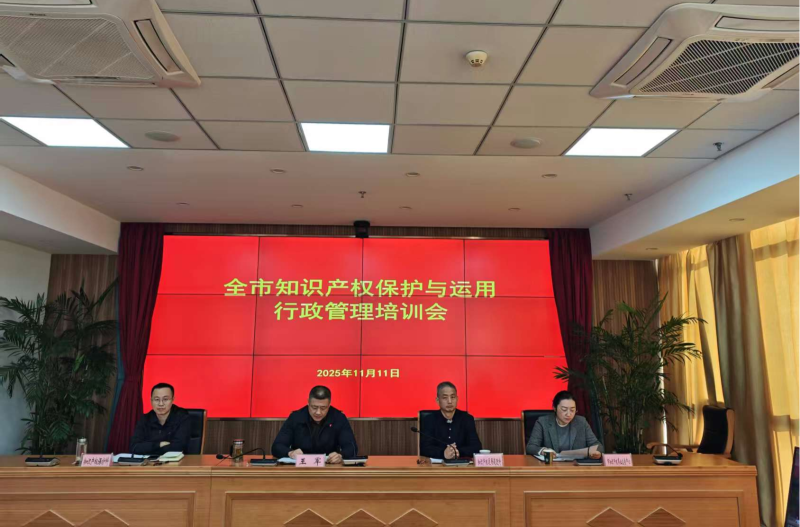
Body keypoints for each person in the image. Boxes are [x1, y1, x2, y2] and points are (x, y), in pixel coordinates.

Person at [271, 385, 357, 464]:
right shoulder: (296, 417)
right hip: (301, 467)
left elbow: (352, 447)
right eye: (314, 407)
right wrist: (290, 453)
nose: (318, 412)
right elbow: (277, 446)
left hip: (329, 466)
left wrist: (340, 455)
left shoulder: (338, 418)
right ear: (308, 402)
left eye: (323, 408)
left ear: (329, 405)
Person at [526, 390, 603, 459]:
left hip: (575, 466)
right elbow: (530, 447)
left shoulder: (581, 422)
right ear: (554, 408)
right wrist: (543, 451)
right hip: (551, 466)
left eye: (572, 410)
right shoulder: (543, 422)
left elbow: (597, 445)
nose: (568, 414)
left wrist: (597, 452)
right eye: (564, 409)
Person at [419, 381, 482, 459]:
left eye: (453, 397)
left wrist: (457, 452)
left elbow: (476, 447)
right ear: (437, 400)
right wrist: (443, 453)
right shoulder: (429, 420)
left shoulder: (467, 419)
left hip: (462, 464)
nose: (449, 401)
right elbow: (424, 448)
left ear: (457, 399)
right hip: (436, 465)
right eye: (445, 397)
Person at [130, 382, 191, 456]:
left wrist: (148, 447)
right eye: (156, 399)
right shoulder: (145, 419)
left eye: (165, 399)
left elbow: (178, 447)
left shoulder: (182, 417)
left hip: (177, 461)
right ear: (151, 400)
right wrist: (159, 444)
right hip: (149, 462)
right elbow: (134, 447)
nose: (161, 404)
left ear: (173, 400)